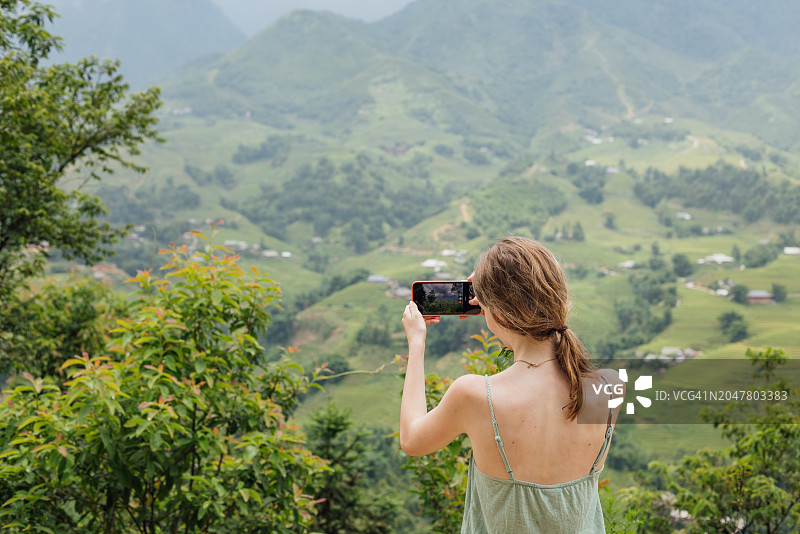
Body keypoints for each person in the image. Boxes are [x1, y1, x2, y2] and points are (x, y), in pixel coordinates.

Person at [400, 236, 623, 533]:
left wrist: (417, 343)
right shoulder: (609, 388)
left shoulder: (476, 396)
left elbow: (412, 440)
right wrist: (496, 299)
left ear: (500, 313)